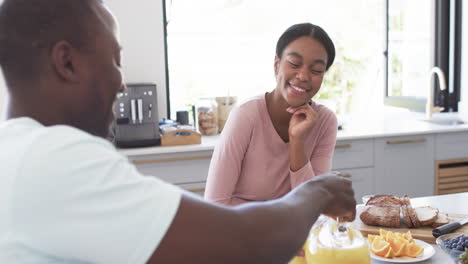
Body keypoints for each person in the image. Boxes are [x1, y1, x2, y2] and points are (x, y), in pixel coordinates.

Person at [0, 1, 356, 263]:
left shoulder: (19, 148)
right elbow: (241, 242)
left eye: (316, 68)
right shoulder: (56, 160)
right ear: (67, 62)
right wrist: (319, 191)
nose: (122, 82)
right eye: (114, 60)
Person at [205, 23, 338, 206]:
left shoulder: (325, 122)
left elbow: (315, 205)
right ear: (277, 65)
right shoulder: (246, 116)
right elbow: (214, 205)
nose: (303, 76)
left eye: (316, 70)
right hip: (239, 230)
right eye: (294, 64)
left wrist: (296, 141)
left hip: (296, 232)